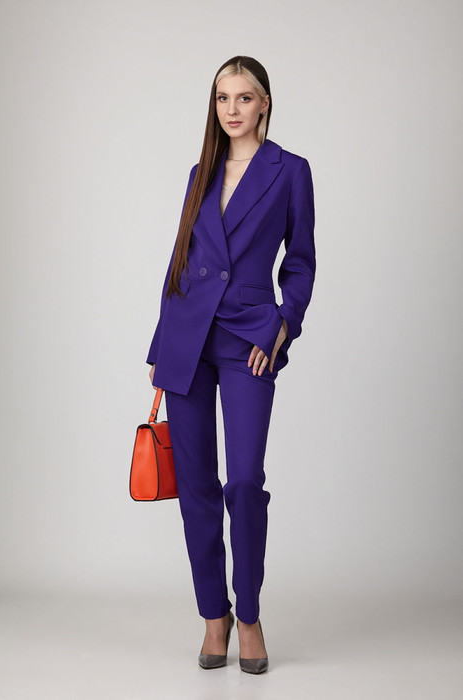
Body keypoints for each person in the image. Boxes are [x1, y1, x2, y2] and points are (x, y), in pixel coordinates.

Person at [146, 55, 315, 674]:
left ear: (265, 101)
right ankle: (213, 616)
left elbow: (300, 261)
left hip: (249, 338)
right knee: (195, 485)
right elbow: (180, 258)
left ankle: (250, 615)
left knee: (243, 481)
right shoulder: (202, 171)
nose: (232, 109)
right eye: (223, 98)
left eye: (244, 97)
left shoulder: (290, 171)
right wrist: (161, 346)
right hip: (188, 338)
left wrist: (282, 324)